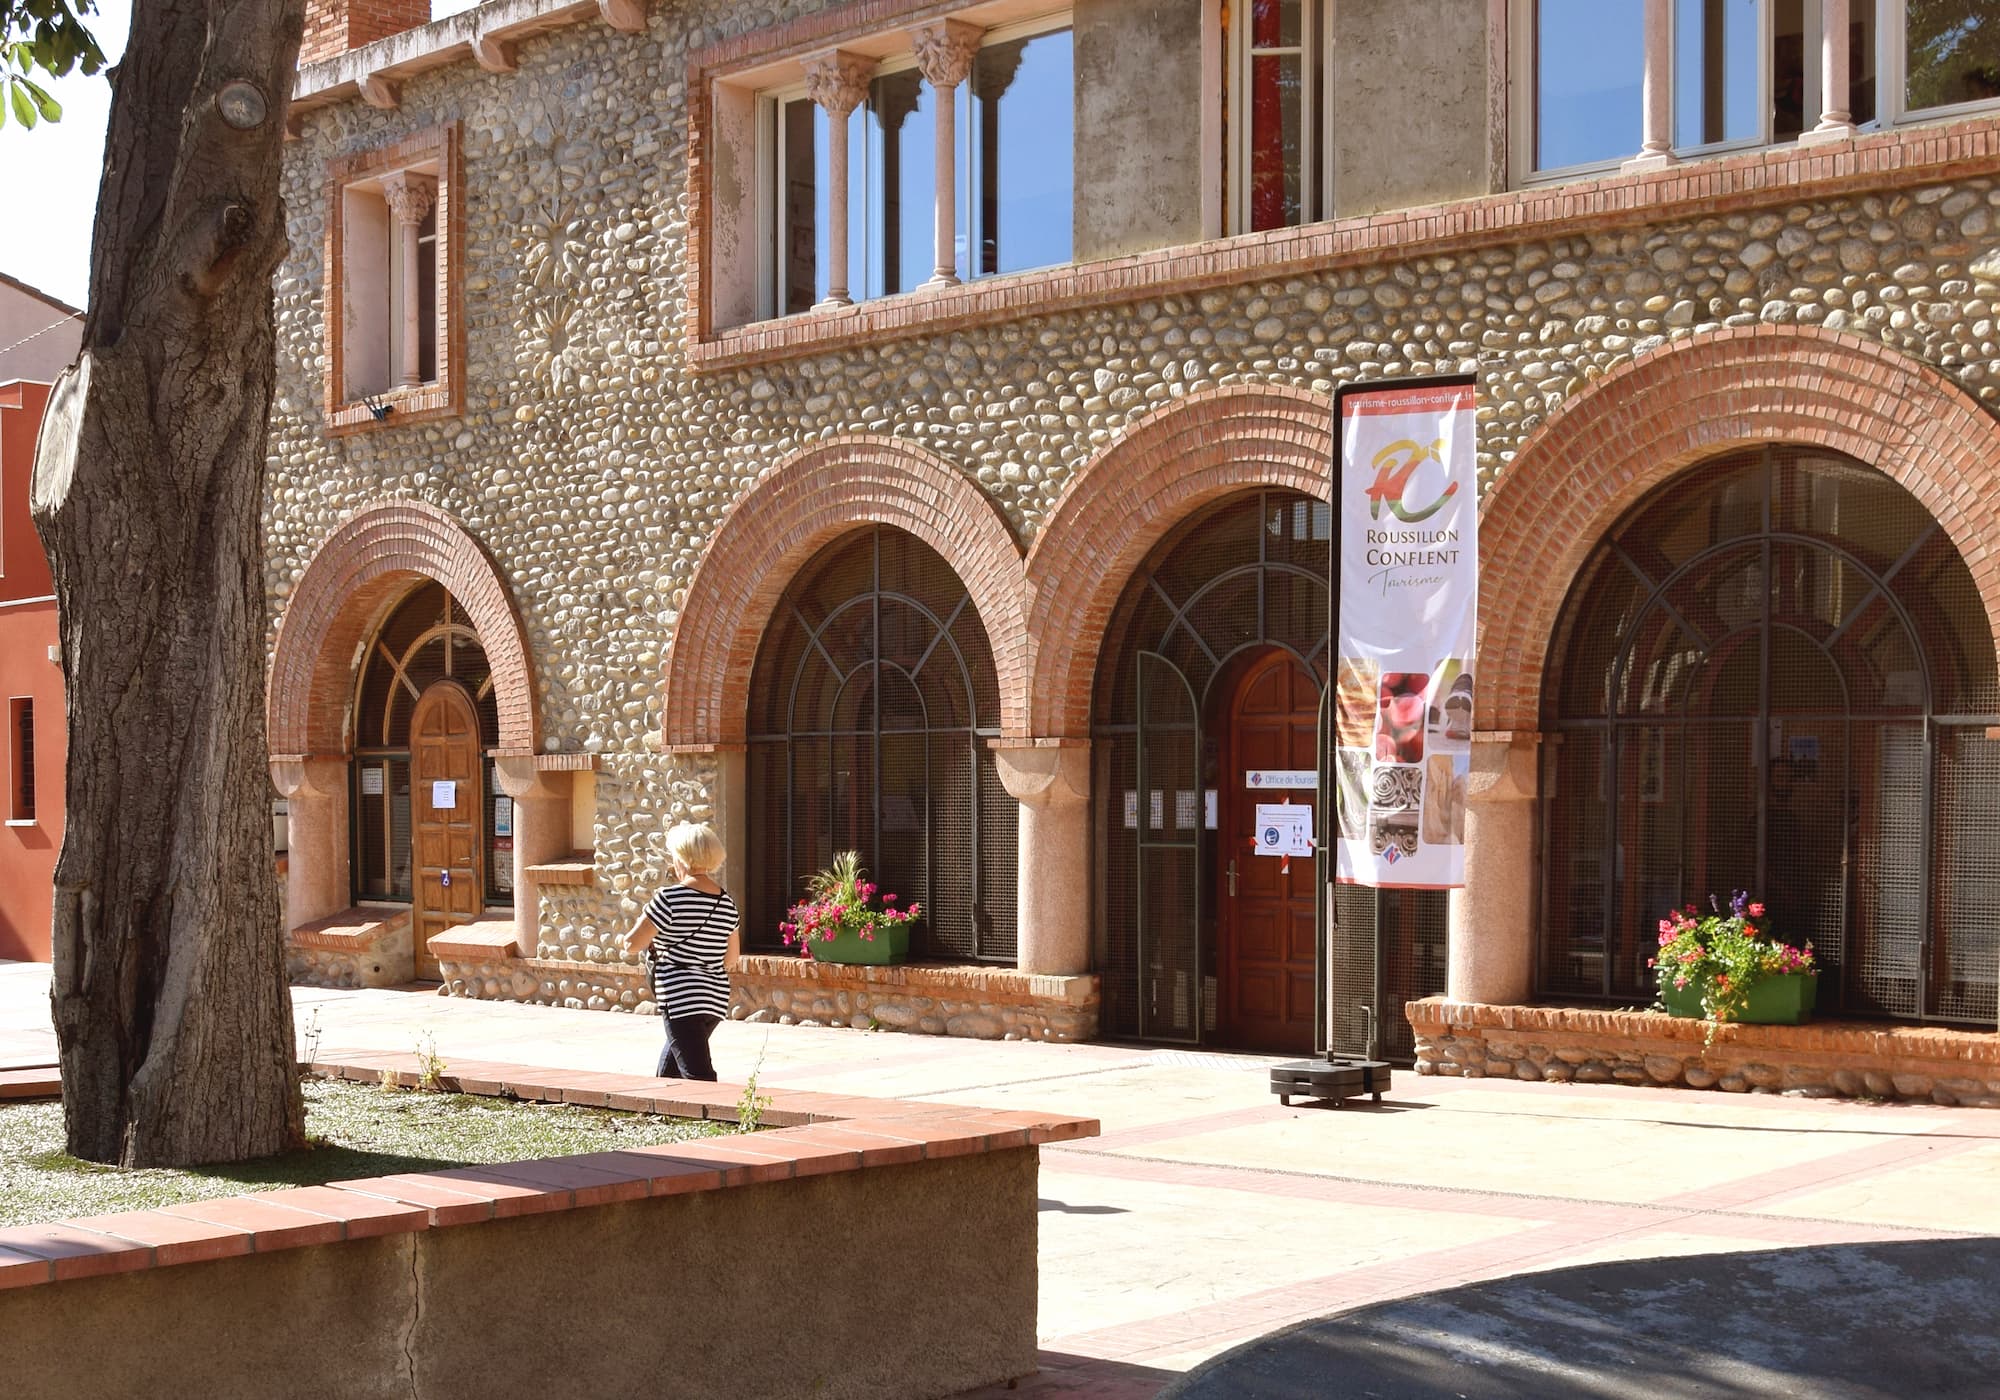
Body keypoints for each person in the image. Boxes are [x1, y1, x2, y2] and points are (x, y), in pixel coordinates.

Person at [622, 822, 737, 1080]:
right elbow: (731, 958)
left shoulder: (669, 898)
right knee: (674, 1063)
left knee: (698, 1074)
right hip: (715, 998)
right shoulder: (727, 903)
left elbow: (632, 944)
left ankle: (714, 1113)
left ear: (682, 858)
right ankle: (660, 1111)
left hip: (680, 997)